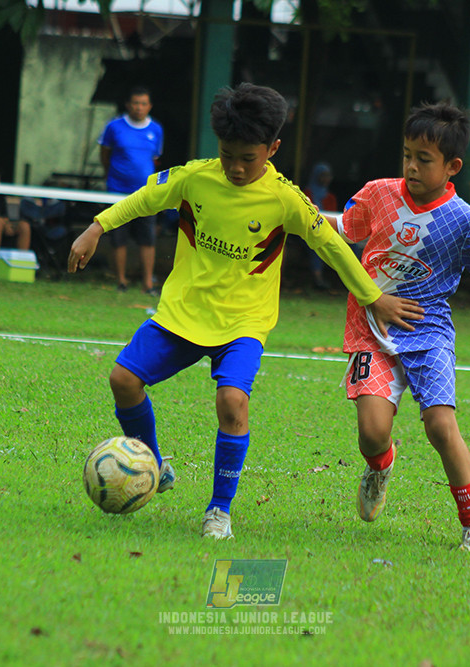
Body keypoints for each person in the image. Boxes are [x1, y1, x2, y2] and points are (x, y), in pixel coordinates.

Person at [69, 83, 422, 540]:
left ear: (272, 148)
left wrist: (373, 295)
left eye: (247, 158)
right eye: (227, 154)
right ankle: (154, 466)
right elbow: (141, 199)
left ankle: (219, 511)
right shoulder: (194, 177)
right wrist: (96, 228)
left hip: (244, 322)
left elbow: (332, 245)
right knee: (122, 379)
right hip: (183, 313)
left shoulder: (284, 198)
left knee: (233, 401)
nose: (235, 167)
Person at [326, 102, 470, 553]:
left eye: (423, 159)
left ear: (452, 167)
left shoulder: (466, 220)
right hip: (371, 328)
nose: (411, 166)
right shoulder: (377, 194)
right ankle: (379, 467)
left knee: (440, 425)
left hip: (428, 334)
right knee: (372, 430)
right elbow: (341, 231)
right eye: (407, 154)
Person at [98, 86, 164, 295]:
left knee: (147, 238)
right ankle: (121, 281)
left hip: (146, 194)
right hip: (117, 191)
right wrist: (111, 175)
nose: (139, 107)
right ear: (128, 105)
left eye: (143, 104)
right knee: (118, 238)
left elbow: (155, 159)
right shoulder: (114, 127)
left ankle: (148, 284)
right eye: (135, 103)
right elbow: (104, 154)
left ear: (149, 106)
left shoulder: (156, 129)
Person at [303, 162, 339, 290]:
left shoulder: (330, 197)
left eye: (328, 176)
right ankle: (318, 280)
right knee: (317, 246)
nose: (326, 179)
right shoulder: (306, 193)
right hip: (308, 232)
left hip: (328, 230)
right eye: (323, 175)